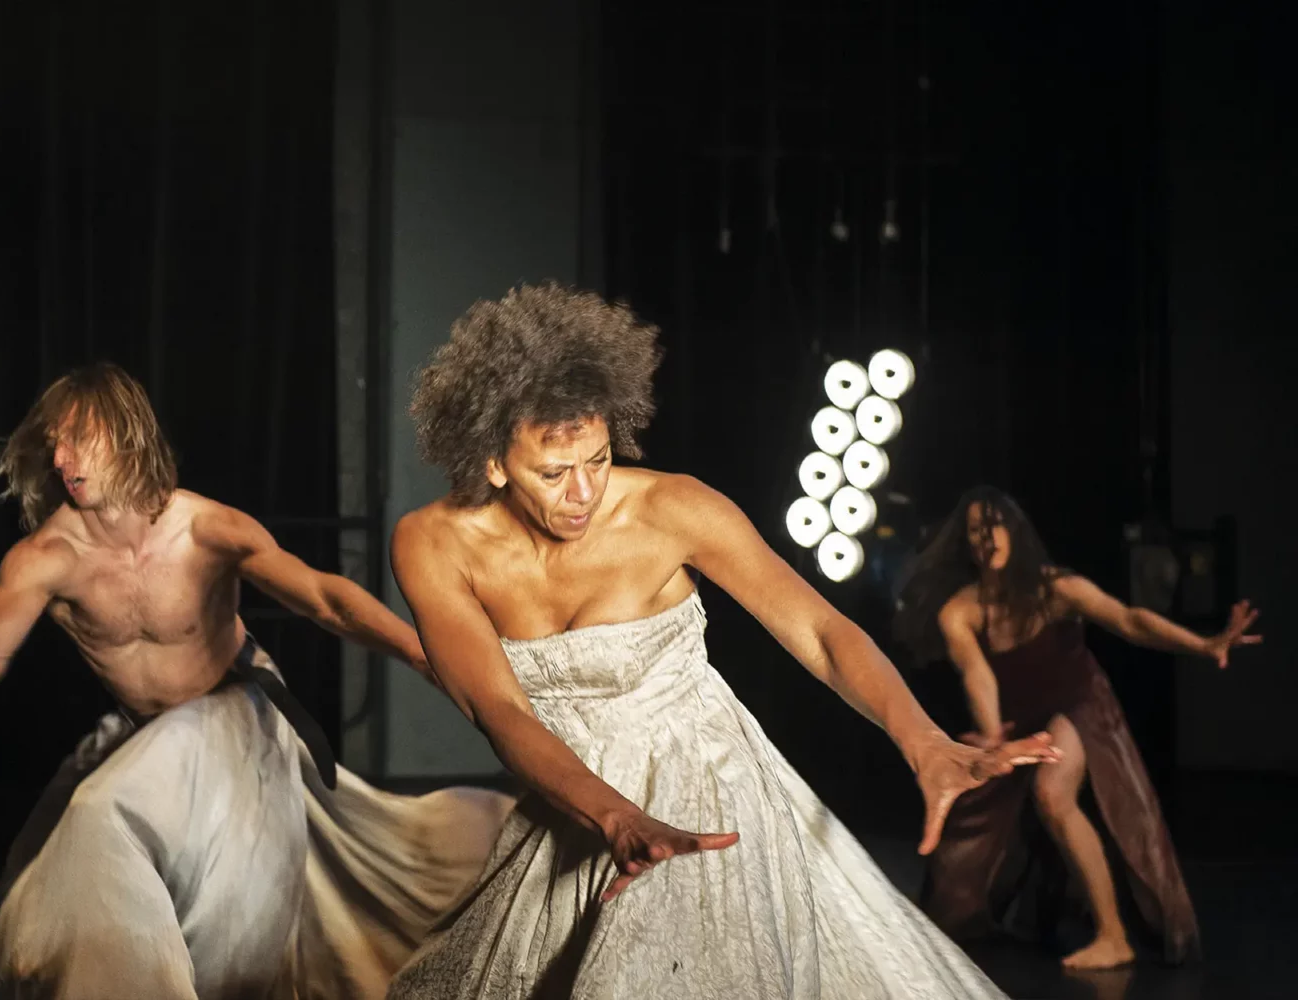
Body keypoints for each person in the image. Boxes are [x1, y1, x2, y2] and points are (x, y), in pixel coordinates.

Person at [382, 282, 1061, 999]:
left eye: (600, 458)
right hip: (577, 809)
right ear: (492, 461)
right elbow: (501, 711)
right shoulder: (434, 544)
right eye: (554, 474)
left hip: (715, 796)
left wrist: (921, 740)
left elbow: (824, 633)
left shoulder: (675, 509)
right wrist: (614, 815)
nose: (584, 493)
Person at [0, 362, 515, 1000]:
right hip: (154, 737)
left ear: (128, 434)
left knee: (105, 816)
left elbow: (324, 597)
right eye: (55, 441)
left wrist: (426, 655)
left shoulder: (204, 528)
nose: (62, 458)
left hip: (236, 713)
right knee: (50, 884)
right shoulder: (47, 557)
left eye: (80, 438)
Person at [893, 486, 1260, 969]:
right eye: (975, 530)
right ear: (966, 543)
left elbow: (1130, 620)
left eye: (995, 524)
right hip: (1021, 720)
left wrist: (1205, 644)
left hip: (1079, 703)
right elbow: (976, 673)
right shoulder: (960, 610)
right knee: (970, 833)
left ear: (1015, 531)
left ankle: (1114, 936)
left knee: (1052, 791)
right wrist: (995, 737)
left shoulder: (1056, 589)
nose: (986, 537)